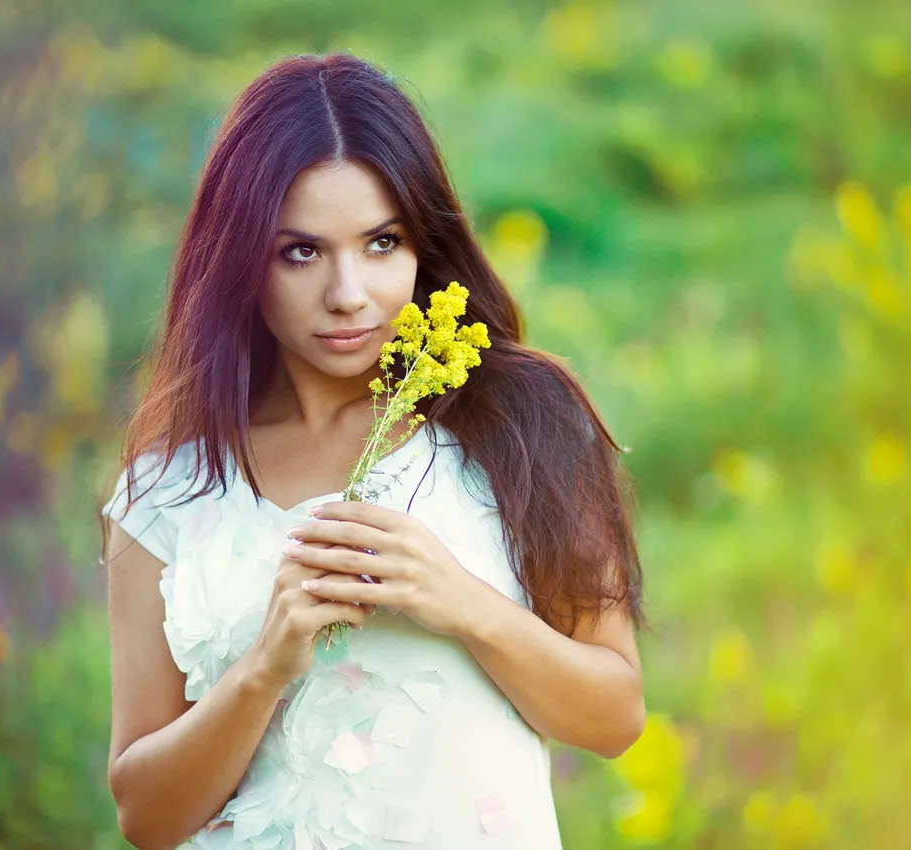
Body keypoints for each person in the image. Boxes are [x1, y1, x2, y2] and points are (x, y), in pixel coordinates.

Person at [100, 52, 646, 850]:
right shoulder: (167, 492)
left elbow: (614, 716)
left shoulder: (518, 423)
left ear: (425, 243)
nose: (349, 293)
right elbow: (144, 816)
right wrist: (264, 667)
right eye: (302, 252)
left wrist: (461, 602)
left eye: (382, 242)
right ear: (241, 260)